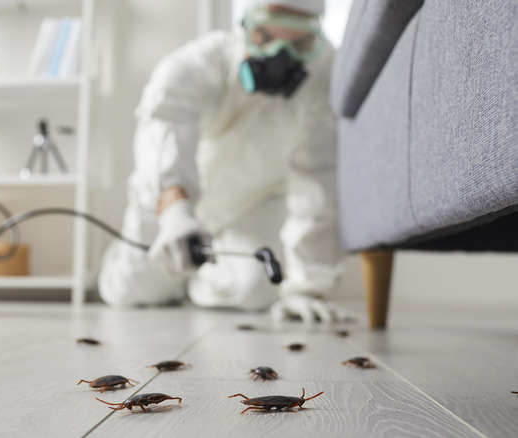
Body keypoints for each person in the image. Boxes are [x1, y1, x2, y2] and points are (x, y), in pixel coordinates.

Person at [98, 0, 350, 324]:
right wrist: (174, 209)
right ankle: (133, 265)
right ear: (244, 26)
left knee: (255, 290)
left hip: (252, 205)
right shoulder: (201, 60)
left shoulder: (326, 73)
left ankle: (193, 285)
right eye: (265, 38)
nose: (279, 57)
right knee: (133, 293)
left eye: (299, 44)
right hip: (173, 200)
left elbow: (317, 181)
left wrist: (307, 288)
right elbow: (165, 120)